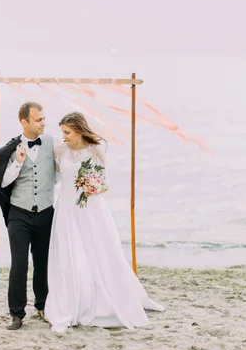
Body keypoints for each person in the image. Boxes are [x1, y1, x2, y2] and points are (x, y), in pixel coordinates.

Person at [45, 112, 164, 333]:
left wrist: (95, 187)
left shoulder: (95, 151)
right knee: (71, 254)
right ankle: (72, 302)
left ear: (79, 130)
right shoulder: (60, 150)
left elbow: (105, 183)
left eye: (67, 133)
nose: (64, 137)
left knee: (101, 251)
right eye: (62, 132)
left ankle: (113, 299)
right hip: (67, 209)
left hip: (91, 208)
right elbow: (56, 177)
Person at [0, 102, 56, 330]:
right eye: (38, 119)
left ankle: (43, 305)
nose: (43, 123)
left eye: (43, 119)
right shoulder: (11, 149)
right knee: (19, 264)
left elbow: (63, 167)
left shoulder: (51, 142)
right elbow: (3, 182)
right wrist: (18, 163)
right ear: (24, 122)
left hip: (45, 214)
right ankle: (17, 313)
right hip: (19, 215)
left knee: (43, 262)